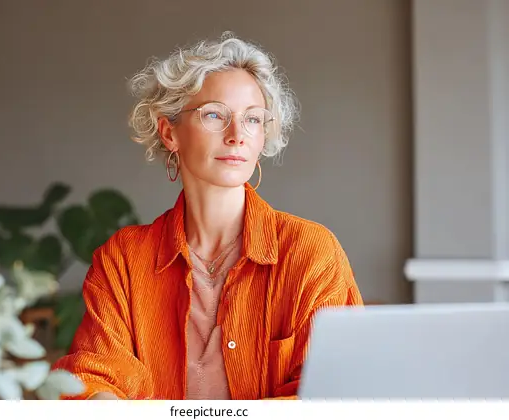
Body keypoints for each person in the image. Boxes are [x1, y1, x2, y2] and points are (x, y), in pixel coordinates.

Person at [52, 32, 363, 400]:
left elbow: (337, 391)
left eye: (252, 119)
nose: (237, 136)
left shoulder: (311, 252)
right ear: (169, 132)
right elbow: (94, 378)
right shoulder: (122, 259)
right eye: (214, 114)